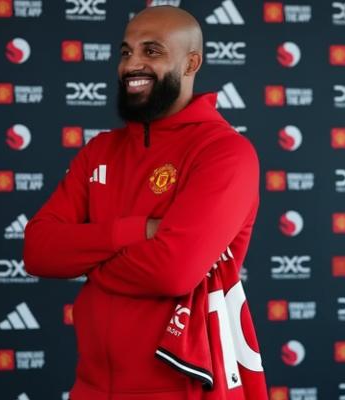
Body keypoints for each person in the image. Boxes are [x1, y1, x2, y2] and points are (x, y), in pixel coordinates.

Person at [24, 5, 266, 400]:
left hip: (183, 386)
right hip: (91, 387)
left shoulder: (224, 152)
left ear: (191, 64)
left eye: (151, 51)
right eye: (126, 52)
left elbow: (172, 272)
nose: (131, 65)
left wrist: (87, 260)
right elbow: (38, 249)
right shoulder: (100, 150)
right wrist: (136, 231)